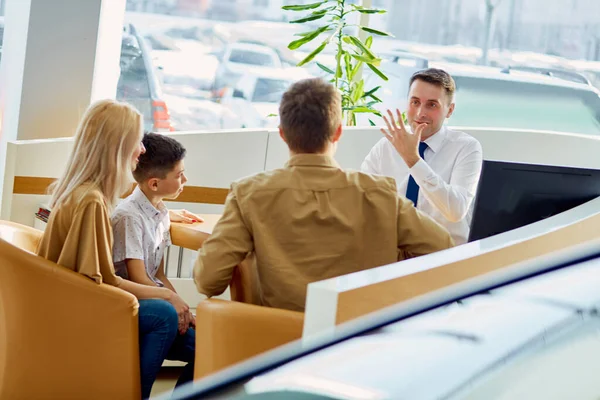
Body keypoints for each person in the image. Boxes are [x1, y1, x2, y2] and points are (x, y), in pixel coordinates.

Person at [193, 78, 454, 312]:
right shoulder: (381, 194)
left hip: (274, 349)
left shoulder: (249, 194)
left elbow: (208, 280)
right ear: (338, 131)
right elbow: (443, 248)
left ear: (282, 133)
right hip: (357, 348)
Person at [36, 100, 193, 399]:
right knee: (163, 314)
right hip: (76, 311)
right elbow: (102, 281)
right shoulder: (91, 201)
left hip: (67, 302)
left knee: (176, 321)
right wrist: (168, 295)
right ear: (118, 146)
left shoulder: (85, 194)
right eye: (137, 141)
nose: (142, 150)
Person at [111, 132, 196, 393]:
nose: (185, 179)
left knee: (207, 346)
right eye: (179, 175)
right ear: (155, 184)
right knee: (167, 316)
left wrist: (182, 305)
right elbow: (139, 277)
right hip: (129, 301)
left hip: (154, 295)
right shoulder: (129, 216)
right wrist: (172, 301)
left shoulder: (161, 211)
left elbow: (157, 272)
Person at [361, 68, 483, 245]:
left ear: (449, 110)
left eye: (432, 104)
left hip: (445, 254)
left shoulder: (467, 148)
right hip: (393, 250)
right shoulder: (385, 146)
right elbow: (362, 201)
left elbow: (456, 211)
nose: (420, 113)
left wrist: (414, 161)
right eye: (415, 102)